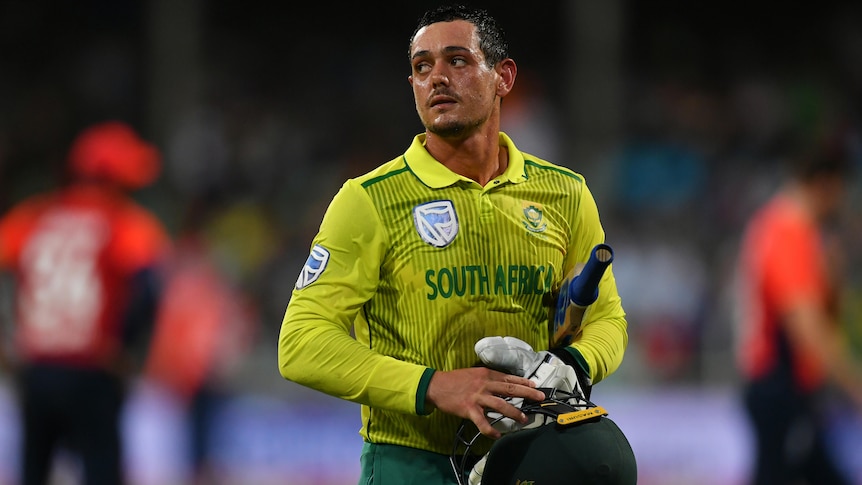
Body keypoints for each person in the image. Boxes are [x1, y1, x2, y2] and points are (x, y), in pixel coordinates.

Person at [278, 4, 629, 485]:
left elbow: (607, 318)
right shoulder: (368, 200)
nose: (437, 77)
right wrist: (433, 386)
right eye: (422, 67)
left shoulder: (565, 194)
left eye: (457, 61)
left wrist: (571, 365)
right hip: (410, 464)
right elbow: (301, 344)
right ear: (412, 88)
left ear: (503, 77)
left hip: (524, 458)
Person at [0, 121, 171, 485]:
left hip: (37, 369)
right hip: (93, 368)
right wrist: (123, 345)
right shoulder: (125, 223)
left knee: (34, 469)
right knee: (101, 470)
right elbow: (151, 290)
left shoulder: (32, 217)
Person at [734, 133, 862, 485]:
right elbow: (805, 324)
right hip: (781, 384)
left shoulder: (774, 226)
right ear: (826, 185)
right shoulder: (789, 232)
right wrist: (853, 384)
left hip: (779, 385)